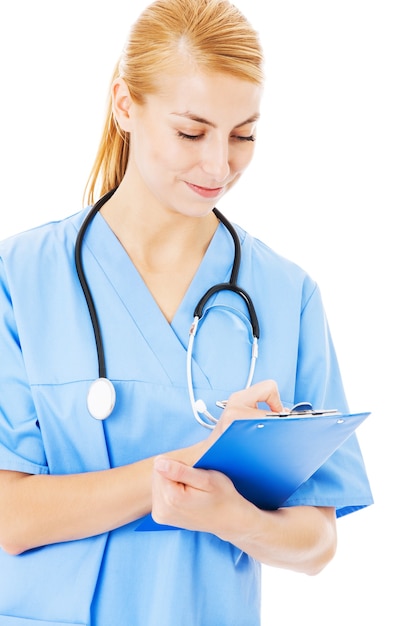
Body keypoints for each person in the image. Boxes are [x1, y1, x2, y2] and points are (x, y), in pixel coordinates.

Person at [0, 0, 373, 624]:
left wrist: (234, 517)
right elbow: (11, 517)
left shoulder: (287, 294)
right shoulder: (21, 278)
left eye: (244, 134)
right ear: (125, 105)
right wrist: (189, 468)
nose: (219, 165)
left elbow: (317, 543)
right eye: (191, 132)